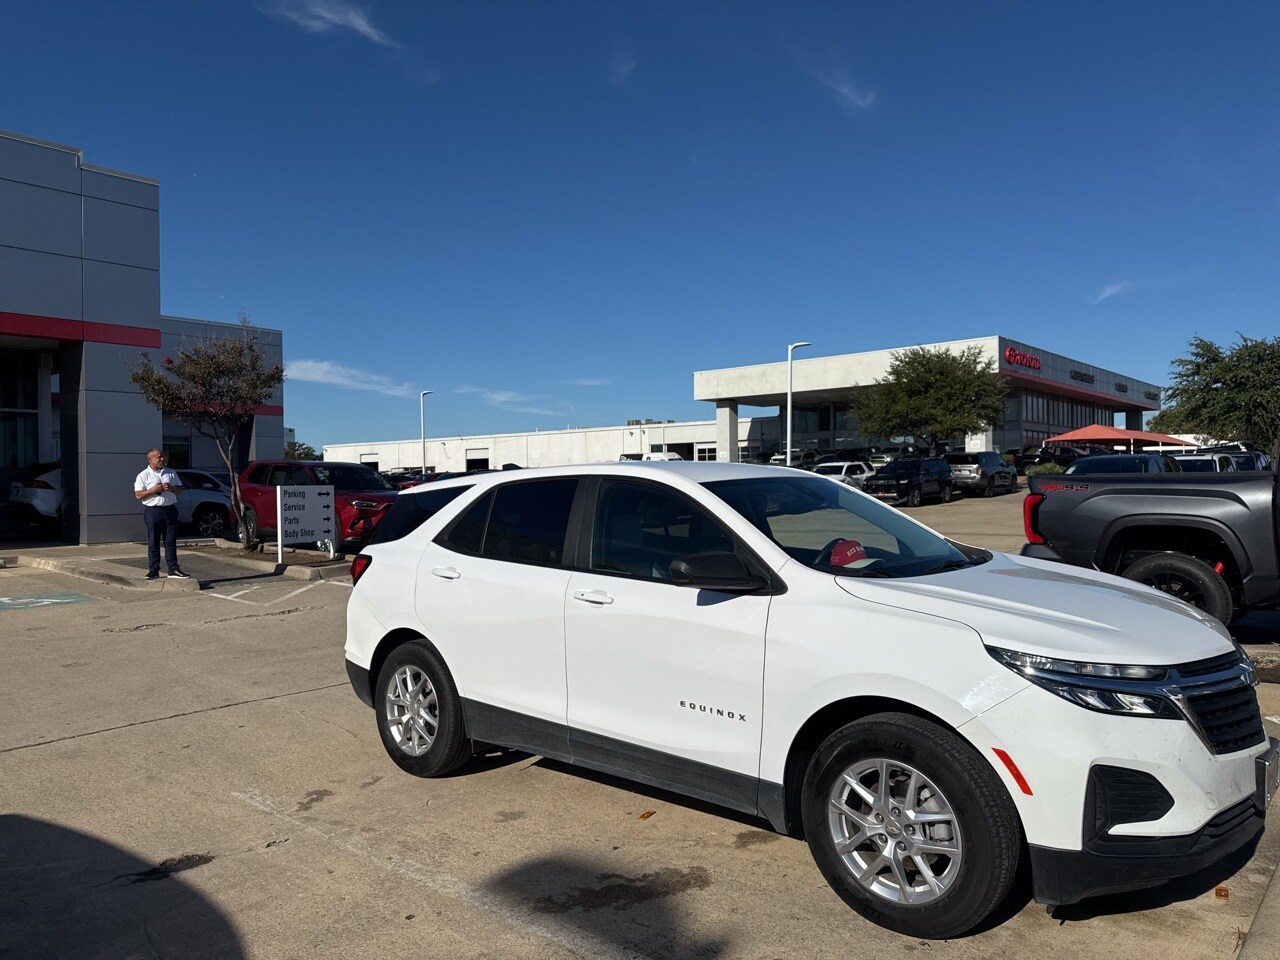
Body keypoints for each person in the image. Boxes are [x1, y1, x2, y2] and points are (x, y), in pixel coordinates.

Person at [133, 448, 190, 580]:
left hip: (170, 509)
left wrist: (172, 488)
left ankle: (173, 569)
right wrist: (154, 490)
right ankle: (153, 570)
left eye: (162, 457)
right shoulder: (143, 475)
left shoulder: (170, 472)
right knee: (153, 541)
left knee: (170, 541)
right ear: (150, 459)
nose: (162, 459)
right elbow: (138, 495)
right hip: (153, 511)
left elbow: (180, 489)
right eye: (159, 457)